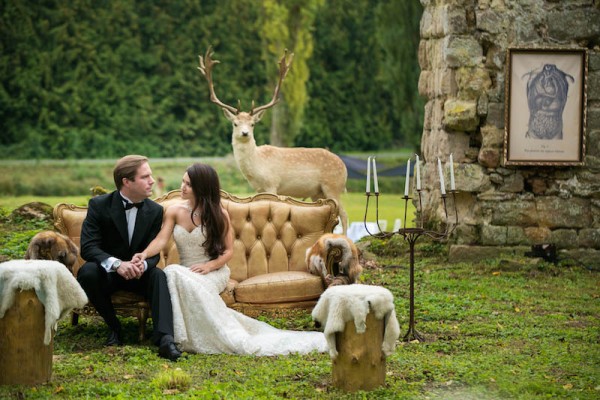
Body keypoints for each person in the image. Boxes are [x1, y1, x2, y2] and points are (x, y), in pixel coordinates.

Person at [132, 163, 327, 355]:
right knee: (173, 272)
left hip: (214, 272)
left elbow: (228, 252)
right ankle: (179, 336)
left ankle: (185, 336)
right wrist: (144, 254)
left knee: (171, 272)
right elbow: (161, 239)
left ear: (202, 187)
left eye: (189, 184)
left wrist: (209, 266)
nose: (182, 187)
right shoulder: (174, 211)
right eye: (183, 182)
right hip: (186, 271)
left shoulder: (219, 213)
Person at [77, 155, 181, 361]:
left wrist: (142, 264)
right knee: (87, 272)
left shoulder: (155, 211)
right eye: (145, 176)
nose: (152, 180)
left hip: (138, 275)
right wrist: (117, 264)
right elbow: (88, 248)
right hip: (107, 275)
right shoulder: (99, 205)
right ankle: (115, 328)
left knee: (159, 275)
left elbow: (153, 254)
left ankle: (165, 339)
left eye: (150, 175)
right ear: (127, 182)